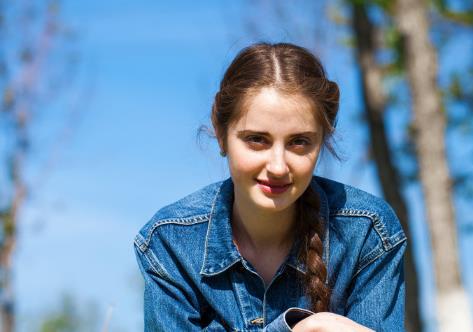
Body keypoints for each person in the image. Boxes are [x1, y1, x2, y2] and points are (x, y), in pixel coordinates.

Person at [134, 42, 406, 331]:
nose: (278, 167)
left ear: (322, 140)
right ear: (220, 131)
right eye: (256, 139)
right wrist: (307, 328)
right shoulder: (170, 244)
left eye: (299, 142)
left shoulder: (369, 233)